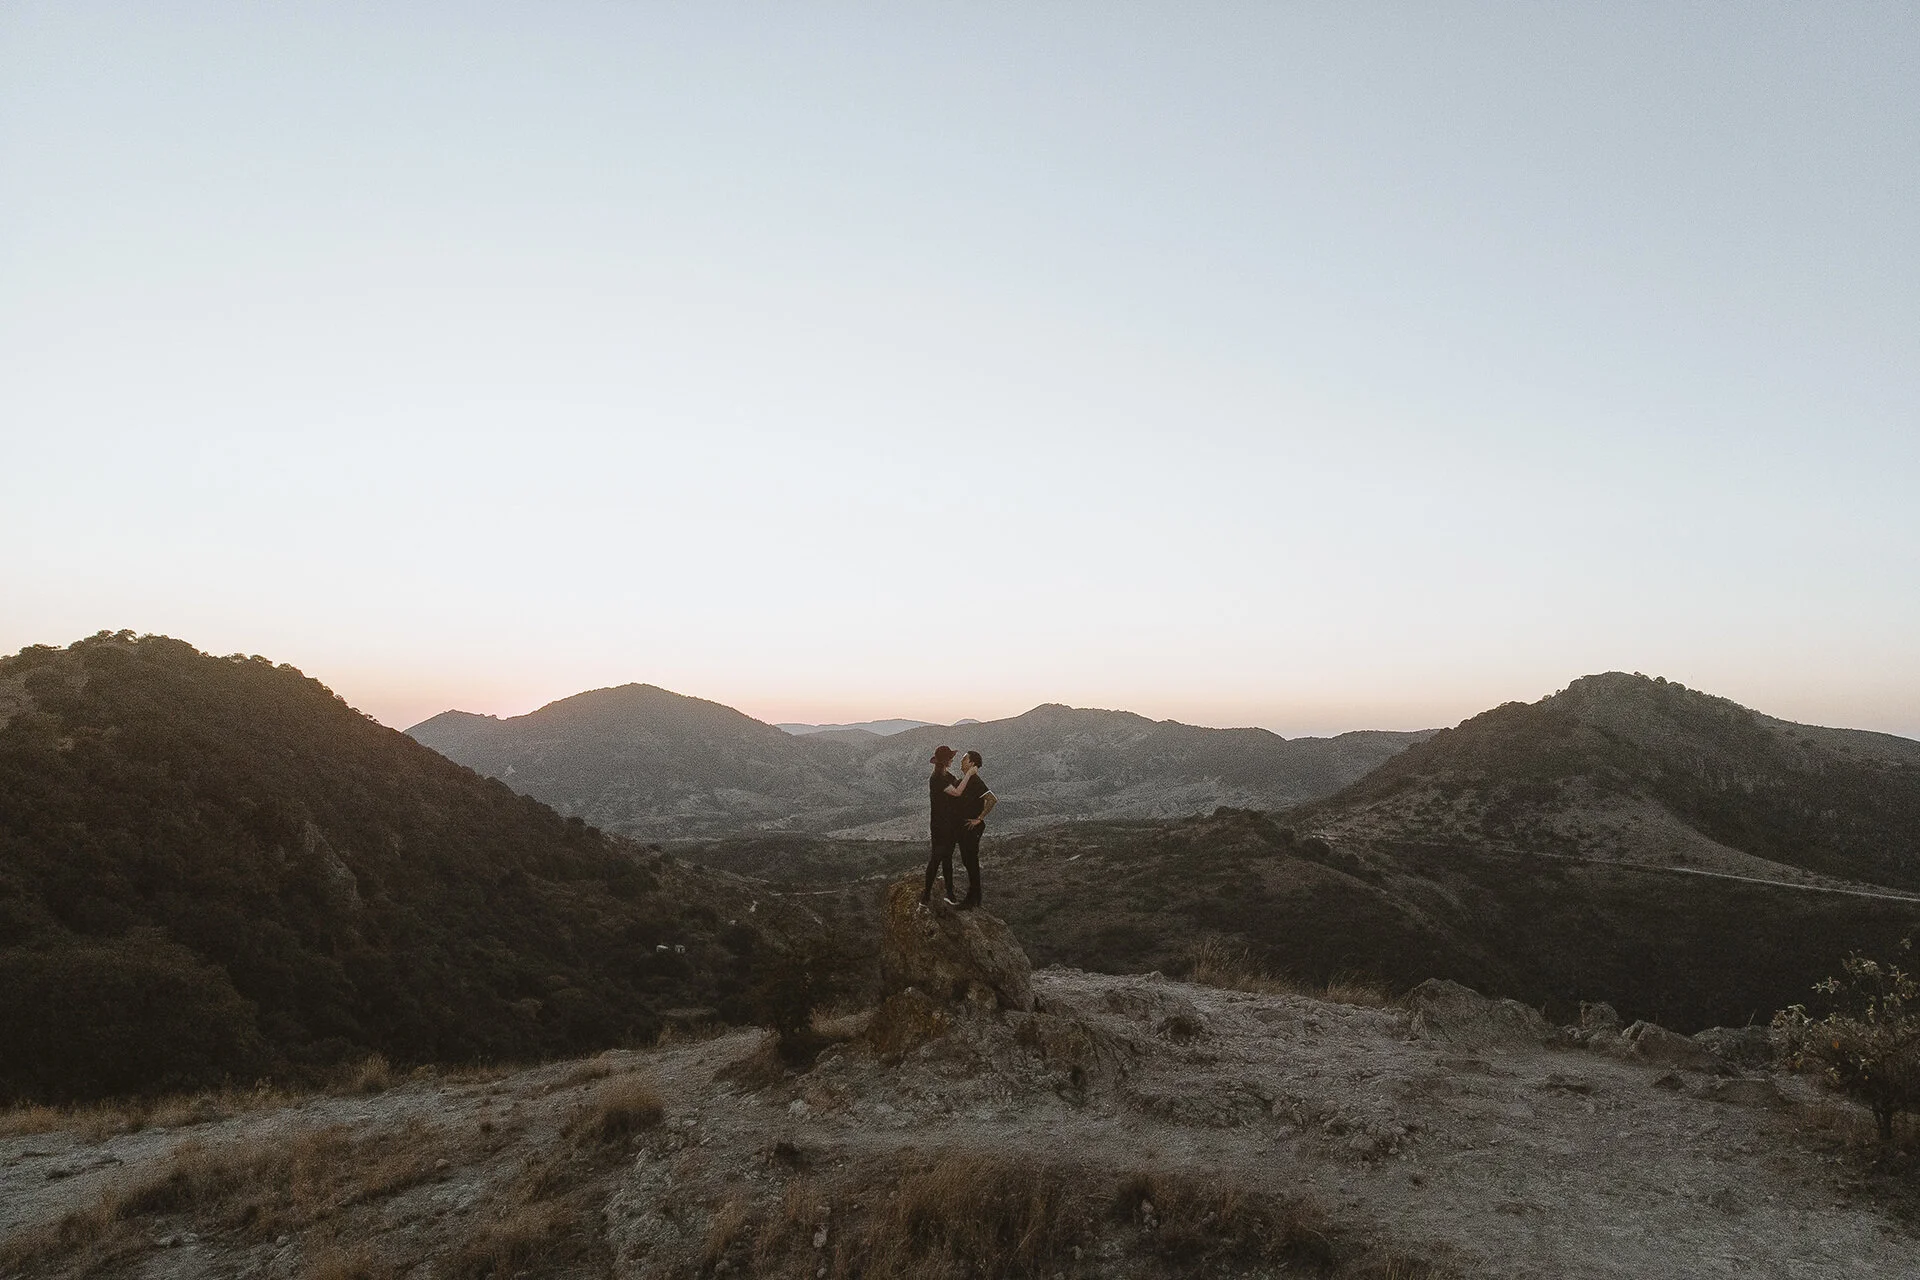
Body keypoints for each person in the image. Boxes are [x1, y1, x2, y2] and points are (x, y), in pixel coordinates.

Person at [943, 750, 995, 909]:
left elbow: (992, 799)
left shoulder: (975, 781)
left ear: (972, 763)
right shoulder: (965, 780)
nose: (961, 761)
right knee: (968, 861)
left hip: (971, 828)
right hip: (963, 828)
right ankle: (974, 898)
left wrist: (979, 818)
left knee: (970, 861)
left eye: (964, 759)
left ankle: (972, 899)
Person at [922, 745, 960, 905]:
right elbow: (957, 792)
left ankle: (949, 893)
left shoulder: (946, 776)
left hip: (948, 823)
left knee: (947, 858)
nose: (952, 760)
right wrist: (970, 776)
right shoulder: (938, 778)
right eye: (950, 758)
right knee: (936, 859)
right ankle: (926, 896)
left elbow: (957, 786)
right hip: (941, 825)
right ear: (946, 761)